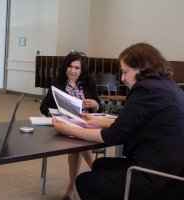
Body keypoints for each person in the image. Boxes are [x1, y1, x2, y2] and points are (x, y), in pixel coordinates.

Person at [53, 43, 184, 199]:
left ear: (140, 68)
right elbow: (133, 123)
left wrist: (68, 129)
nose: (122, 78)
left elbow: (113, 135)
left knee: (85, 182)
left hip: (159, 177)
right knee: (99, 164)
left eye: (124, 72)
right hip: (175, 170)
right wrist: (96, 120)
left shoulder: (145, 90)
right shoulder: (167, 85)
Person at [40, 50, 102, 200]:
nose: (72, 71)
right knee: (76, 142)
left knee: (77, 142)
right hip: (67, 124)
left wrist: (95, 104)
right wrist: (55, 114)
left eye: (77, 68)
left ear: (82, 70)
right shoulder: (58, 83)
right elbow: (44, 107)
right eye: (70, 66)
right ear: (65, 67)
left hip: (88, 123)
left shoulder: (89, 83)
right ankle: (95, 173)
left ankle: (72, 187)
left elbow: (99, 107)